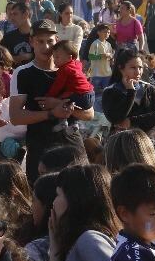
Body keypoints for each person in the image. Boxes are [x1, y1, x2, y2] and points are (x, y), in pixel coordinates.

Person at [10, 20, 94, 183]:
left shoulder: (72, 69)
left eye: (50, 41)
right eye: (40, 41)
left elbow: (89, 114)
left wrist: (57, 105)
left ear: (56, 41)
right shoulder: (23, 73)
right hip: (41, 147)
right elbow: (15, 117)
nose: (46, 46)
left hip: (72, 145)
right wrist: (50, 114)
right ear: (31, 41)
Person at [101, 47, 155, 135]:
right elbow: (116, 118)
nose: (138, 72)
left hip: (146, 139)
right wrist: (131, 92)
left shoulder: (148, 88)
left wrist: (131, 121)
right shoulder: (110, 91)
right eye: (133, 68)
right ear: (121, 68)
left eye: (140, 67)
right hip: (120, 140)